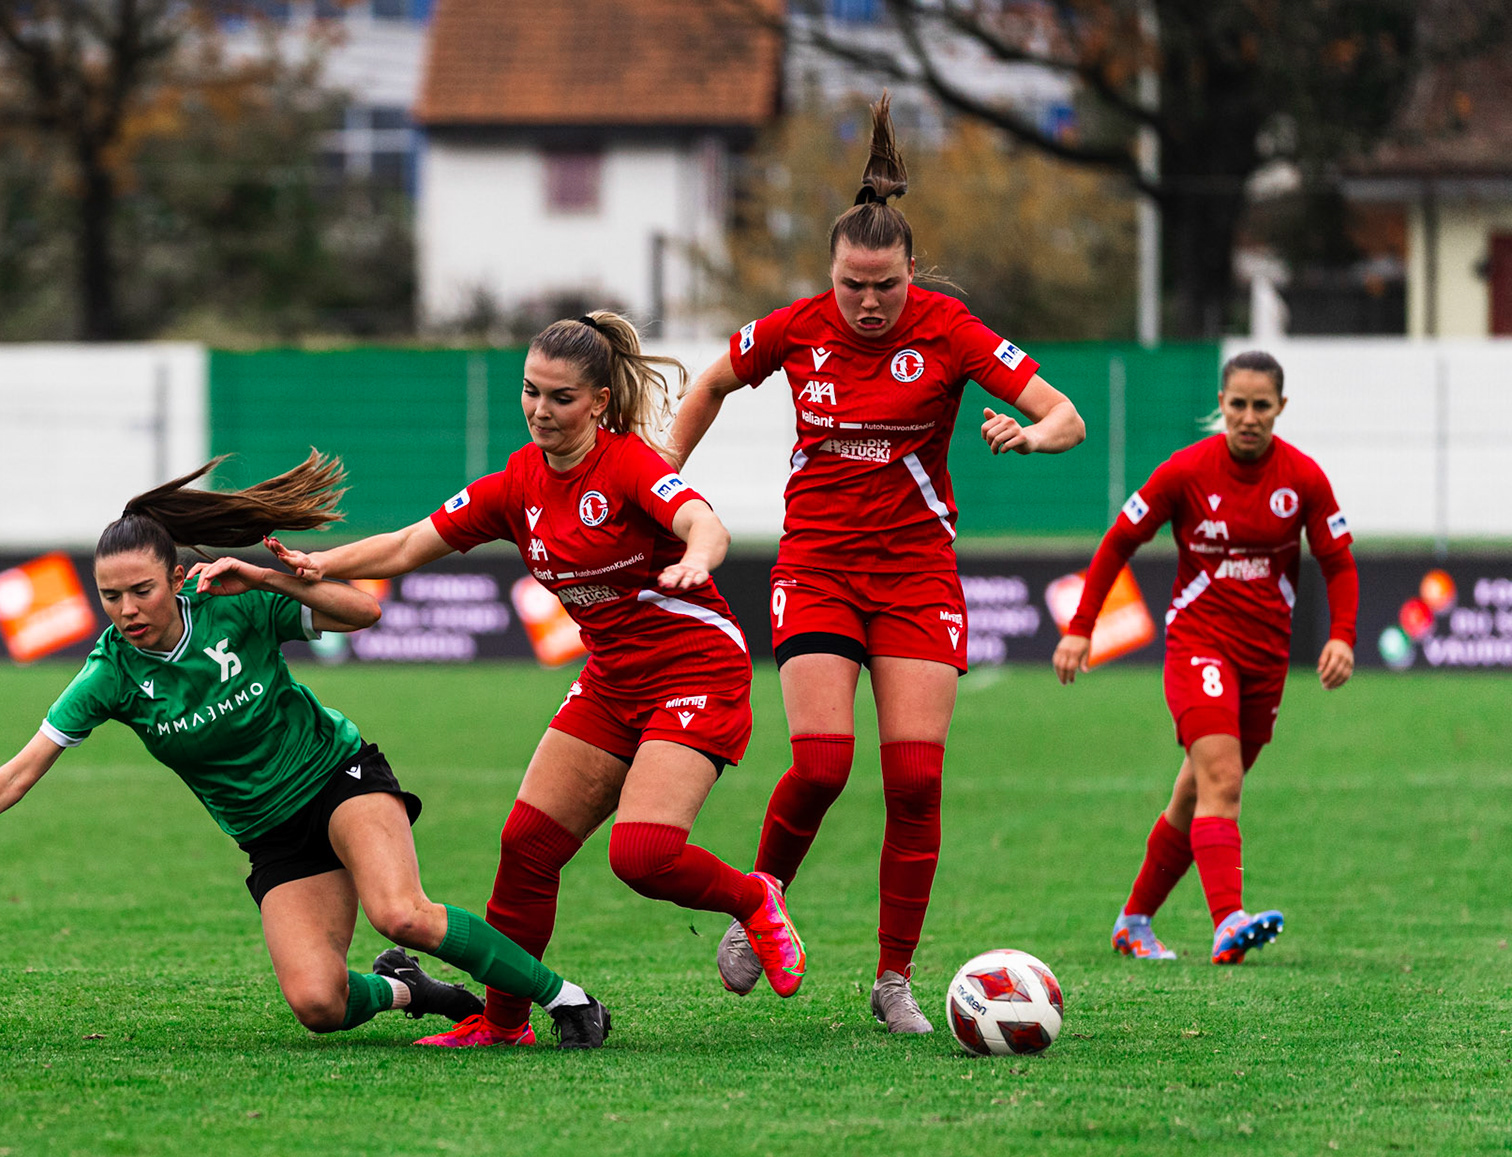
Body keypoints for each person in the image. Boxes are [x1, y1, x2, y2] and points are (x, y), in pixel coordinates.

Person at [0, 454, 613, 1049]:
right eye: (110, 597)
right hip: (270, 835)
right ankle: (415, 992)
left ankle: (566, 999)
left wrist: (269, 575)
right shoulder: (108, 675)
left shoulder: (235, 602)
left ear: (175, 578)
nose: (126, 610)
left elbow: (365, 610)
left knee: (400, 912)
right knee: (318, 1005)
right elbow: (20, 771)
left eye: (141, 592)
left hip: (338, 778)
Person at [267, 311, 808, 1047]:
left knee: (642, 856)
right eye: (530, 392)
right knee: (526, 845)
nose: (539, 410)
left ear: (598, 404)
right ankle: (503, 1023)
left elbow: (701, 521)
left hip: (696, 670)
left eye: (559, 398)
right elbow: (403, 547)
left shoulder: (627, 466)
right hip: (613, 679)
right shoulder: (516, 484)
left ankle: (756, 897)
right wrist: (319, 563)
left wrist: (697, 556)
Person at [663, 94, 1086, 1032]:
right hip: (816, 566)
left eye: (884, 286)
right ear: (831, 271)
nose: (866, 302)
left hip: (916, 575)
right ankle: (762, 898)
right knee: (820, 762)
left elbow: (1067, 414)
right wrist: (662, 482)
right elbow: (709, 383)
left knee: (916, 782)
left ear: (908, 274)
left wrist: (1031, 434)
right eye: (853, 283)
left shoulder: (949, 328)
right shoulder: (795, 328)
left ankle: (893, 980)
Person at [1053, 350, 1357, 964]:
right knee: (1223, 778)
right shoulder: (1185, 472)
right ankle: (1228, 922)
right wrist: (1080, 627)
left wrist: (1343, 634)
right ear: (1221, 404)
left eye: (1261, 406)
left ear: (1281, 409)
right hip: (1199, 645)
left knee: (1194, 793)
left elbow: (1338, 562)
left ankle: (1133, 920)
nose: (1248, 417)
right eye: (1238, 404)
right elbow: (1118, 542)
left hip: (1266, 661)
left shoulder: (1303, 478)